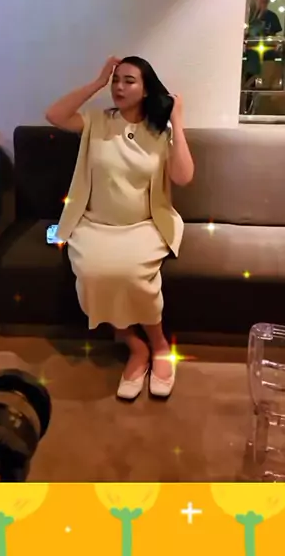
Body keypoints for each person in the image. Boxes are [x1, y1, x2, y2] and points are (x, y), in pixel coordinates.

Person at [45, 56, 194, 401]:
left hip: (143, 226)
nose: (119, 87)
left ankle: (159, 345)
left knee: (131, 273)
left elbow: (183, 177)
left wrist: (177, 121)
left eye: (129, 81)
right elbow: (54, 115)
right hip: (94, 225)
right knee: (93, 272)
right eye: (116, 81)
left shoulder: (159, 132)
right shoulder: (97, 121)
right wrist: (97, 82)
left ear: (146, 90)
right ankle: (133, 345)